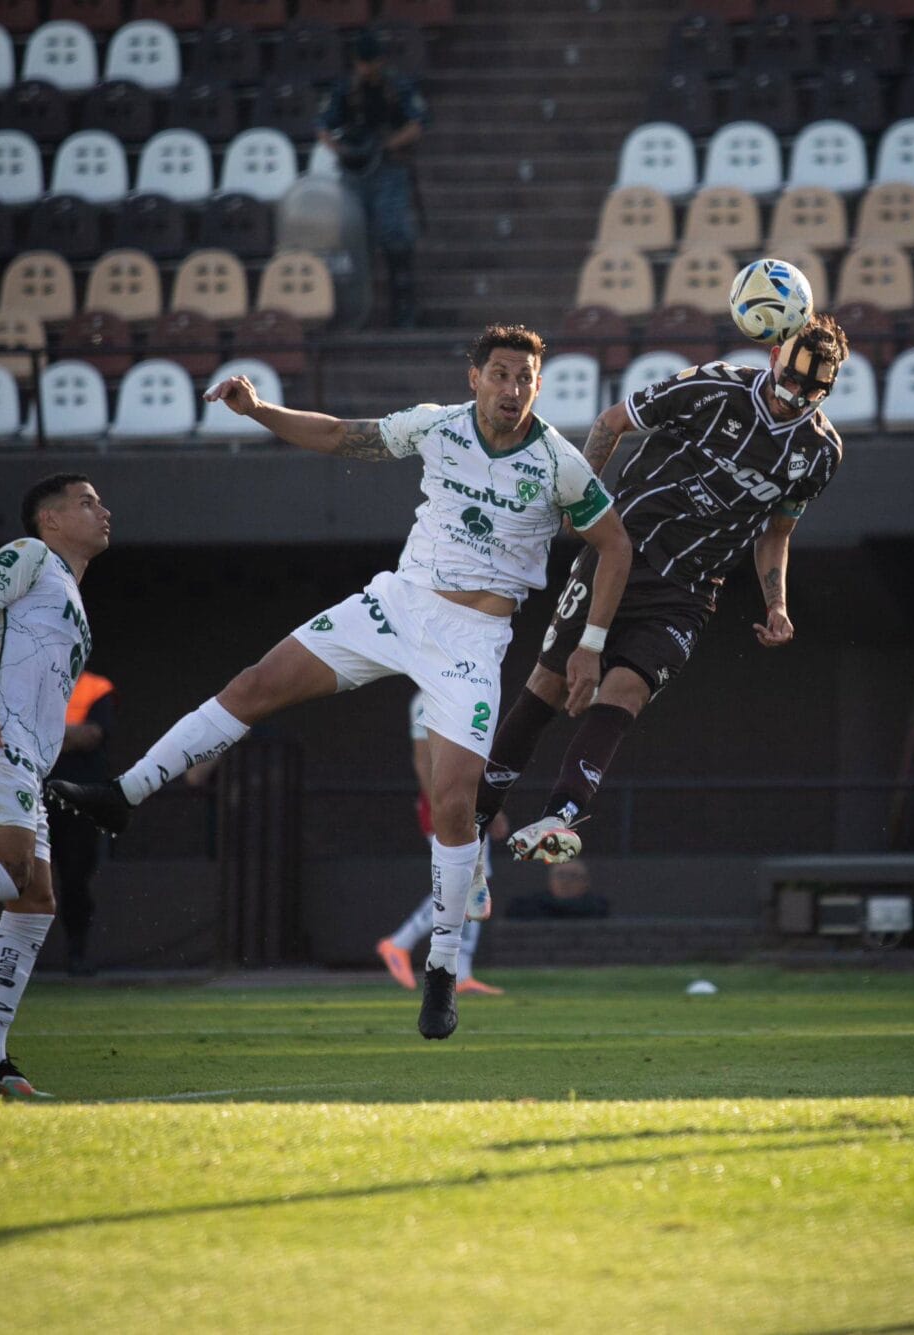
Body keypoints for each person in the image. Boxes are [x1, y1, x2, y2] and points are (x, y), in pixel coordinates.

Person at [49, 324, 632, 1042]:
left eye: (526, 378)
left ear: (538, 387)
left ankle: (442, 967)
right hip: (397, 605)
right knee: (257, 682)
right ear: (473, 377)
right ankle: (123, 793)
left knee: (456, 805)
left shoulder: (558, 463)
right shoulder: (437, 426)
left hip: (474, 639)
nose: (513, 389)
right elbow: (339, 435)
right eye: (501, 374)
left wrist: (592, 645)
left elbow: (616, 544)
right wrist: (260, 410)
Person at [474, 312, 850, 865]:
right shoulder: (713, 387)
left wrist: (777, 602)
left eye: (810, 391)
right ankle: (474, 821)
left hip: (691, 590)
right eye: (789, 381)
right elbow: (610, 421)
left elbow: (777, 531)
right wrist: (584, 504)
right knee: (550, 686)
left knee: (625, 691)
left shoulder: (820, 453)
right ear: (774, 360)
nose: (793, 397)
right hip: (622, 554)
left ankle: (561, 815)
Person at [0, 474, 111, 1098]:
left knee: (36, 898)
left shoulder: (69, 589)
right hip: (3, 741)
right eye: (87, 503)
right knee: (16, 875)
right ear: (49, 520)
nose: (104, 511)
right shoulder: (29, 554)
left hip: (31, 764)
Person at [376, 690, 506, 996]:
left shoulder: (475, 686)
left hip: (470, 801)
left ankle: (461, 973)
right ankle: (400, 943)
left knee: (475, 880)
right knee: (464, 880)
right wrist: (441, 807)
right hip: (446, 804)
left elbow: (476, 761)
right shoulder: (428, 697)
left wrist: (491, 805)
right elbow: (424, 760)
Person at [317, 27, 430, 328]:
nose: (367, 68)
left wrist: (387, 144)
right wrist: (344, 150)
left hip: (389, 167)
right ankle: (358, 313)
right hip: (355, 170)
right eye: (362, 62)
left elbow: (418, 123)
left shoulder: (398, 87)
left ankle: (403, 310)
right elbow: (323, 126)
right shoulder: (345, 89)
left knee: (395, 236)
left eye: (371, 61)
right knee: (354, 239)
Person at [44, 669, 117, 975]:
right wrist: (68, 734)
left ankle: (77, 953)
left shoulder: (95, 687)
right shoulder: (28, 680)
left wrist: (45, 735)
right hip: (32, 795)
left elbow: (92, 735)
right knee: (20, 876)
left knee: (75, 878)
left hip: (79, 801)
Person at [505, 859, 610, 920]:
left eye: (573, 876)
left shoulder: (599, 911)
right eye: (561, 875)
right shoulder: (527, 909)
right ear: (550, 880)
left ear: (585, 883)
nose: (566, 881)